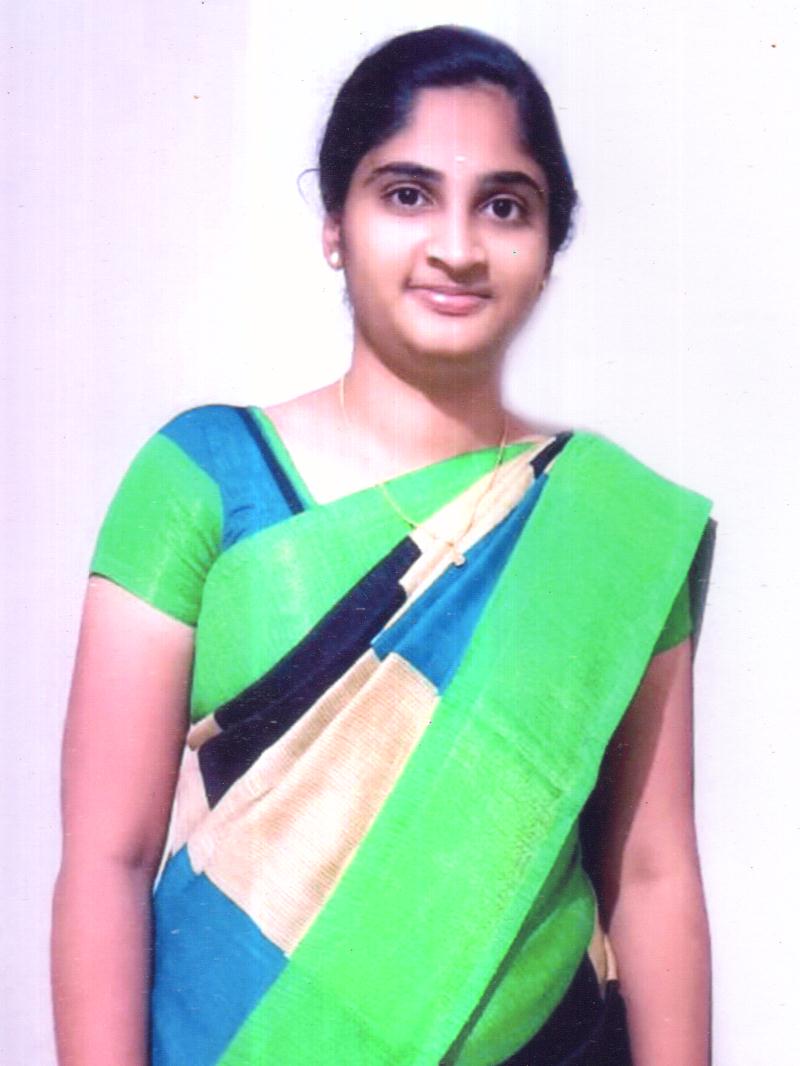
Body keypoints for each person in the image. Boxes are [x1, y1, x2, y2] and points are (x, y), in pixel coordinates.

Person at [51, 24, 713, 1066]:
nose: (457, 246)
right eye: (407, 194)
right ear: (335, 223)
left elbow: (652, 871)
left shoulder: (608, 527)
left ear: (550, 246)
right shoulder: (205, 480)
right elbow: (106, 859)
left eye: (504, 205)